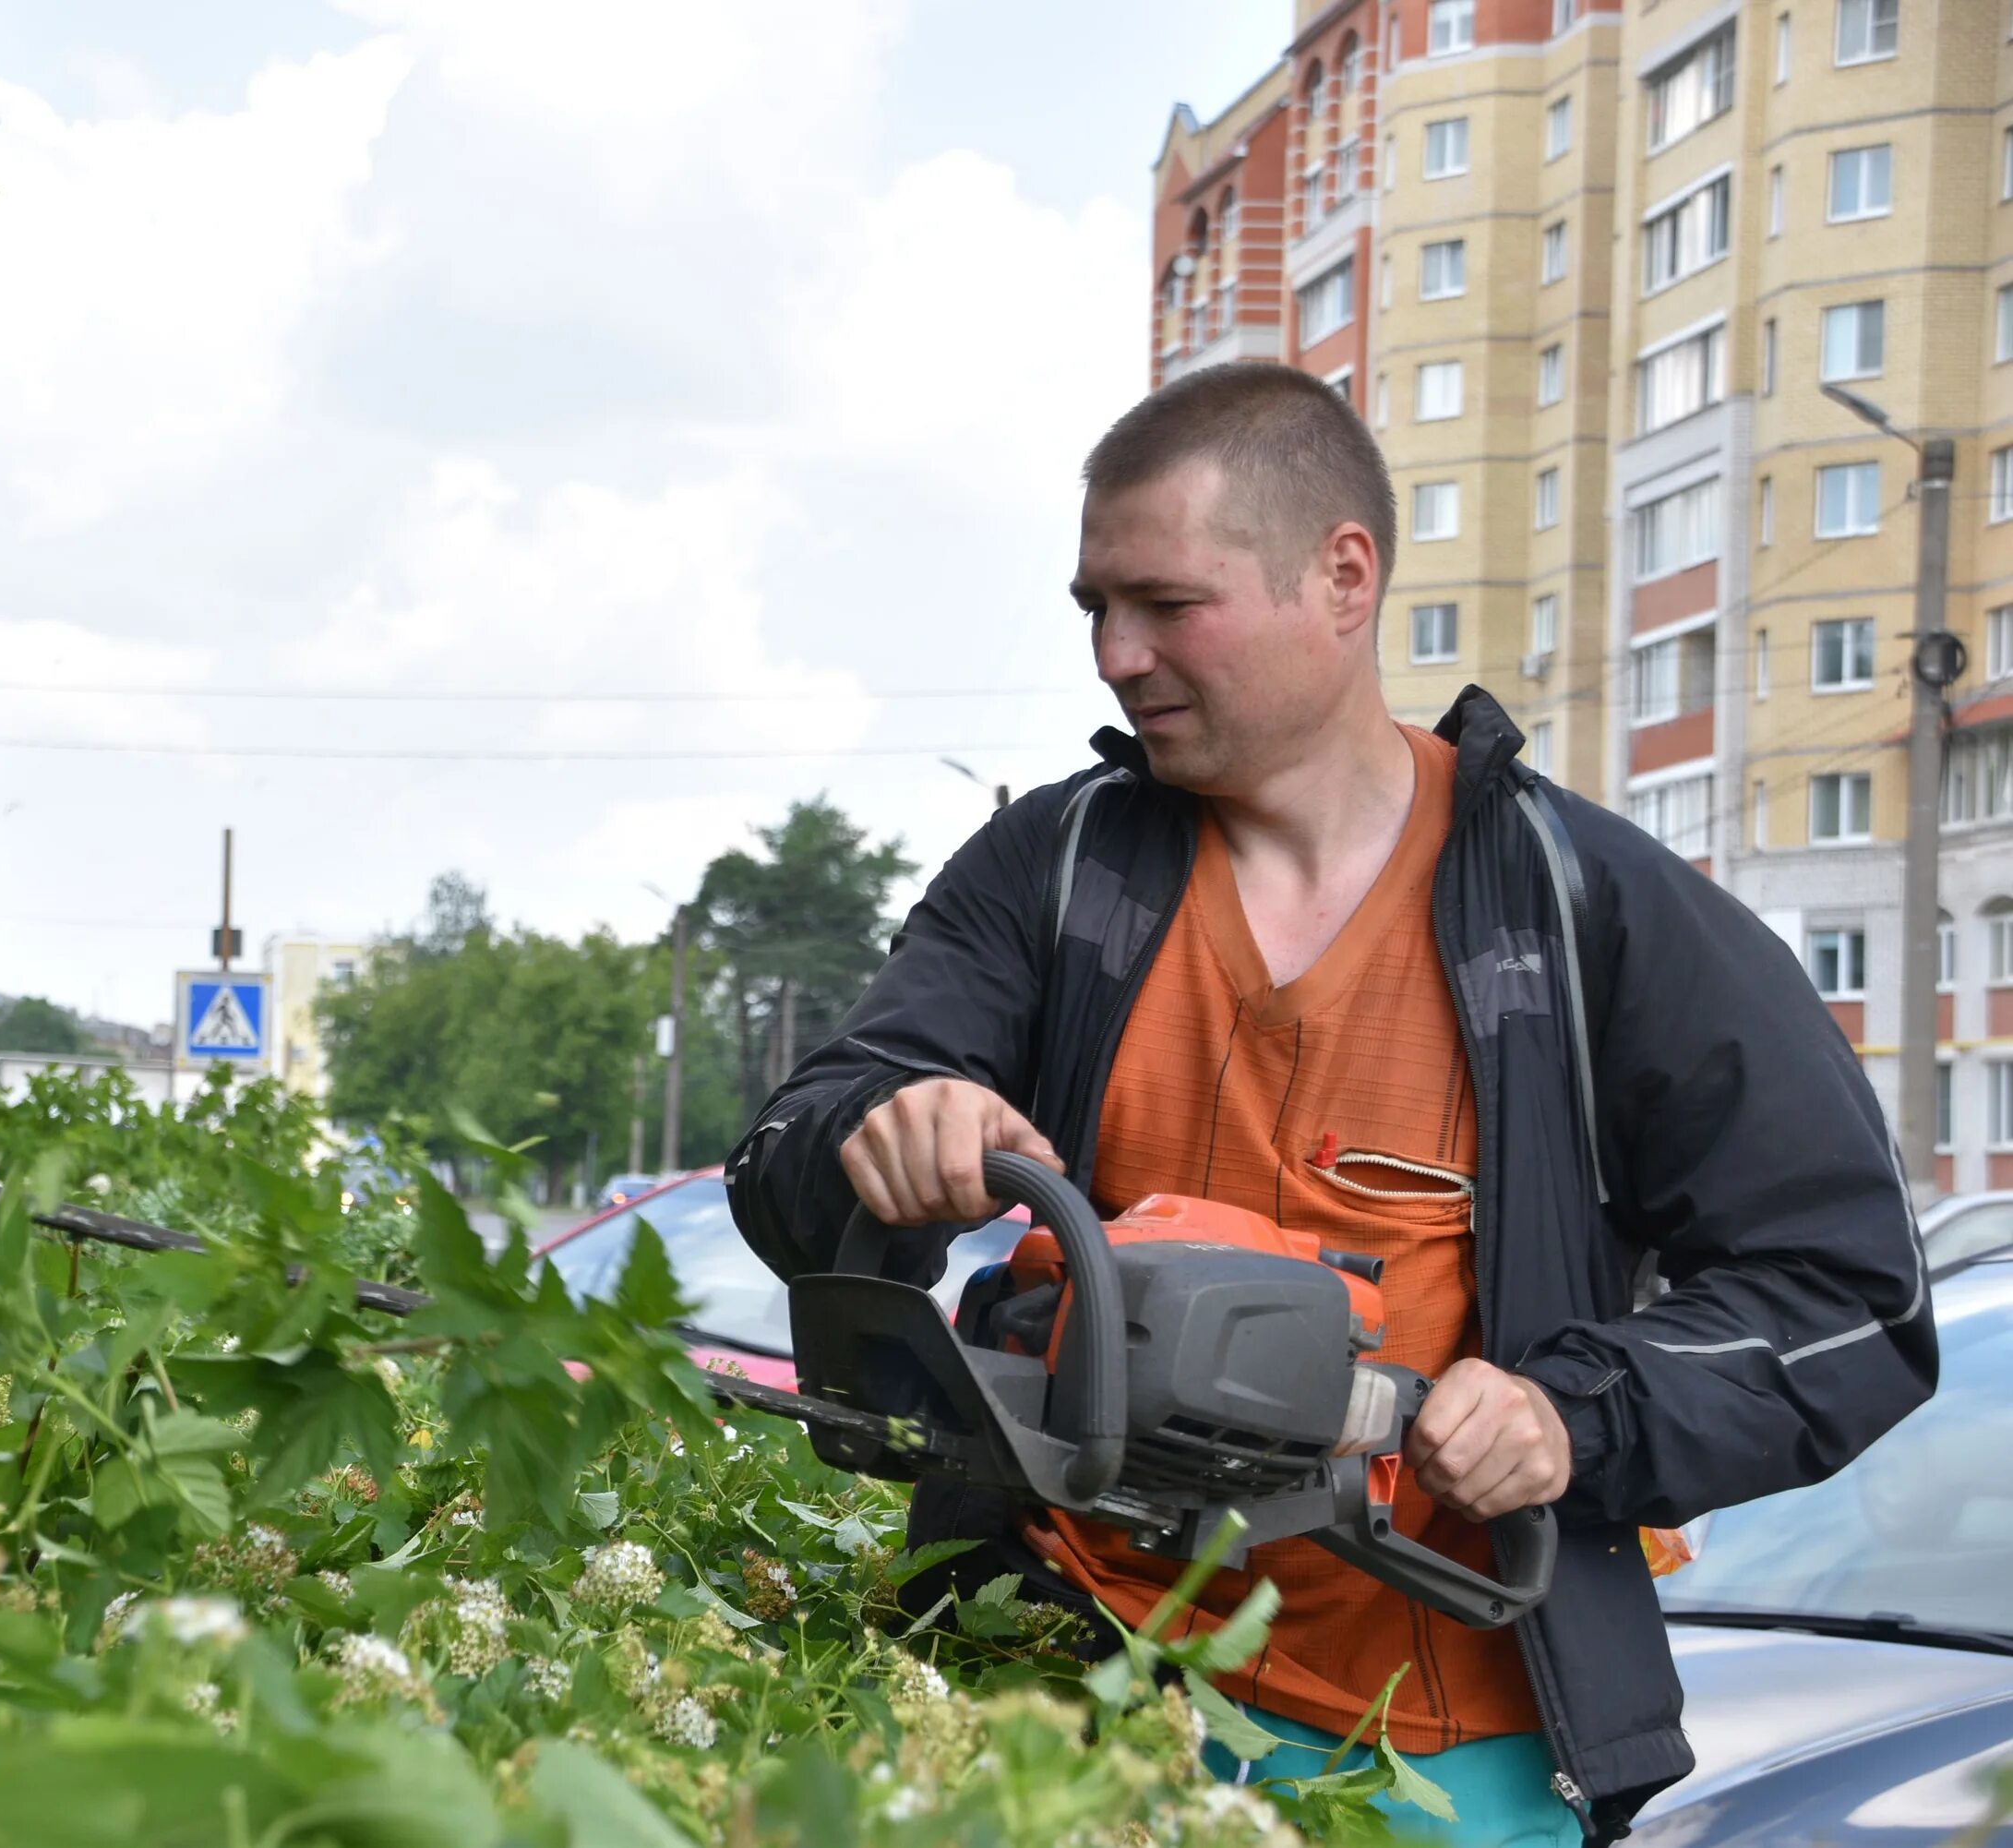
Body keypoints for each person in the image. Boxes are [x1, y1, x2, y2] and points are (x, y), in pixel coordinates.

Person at [725, 362, 1935, 1847]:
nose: (1116, 653)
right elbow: (799, 1139)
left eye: (1168, 603)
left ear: (1342, 575)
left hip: (1451, 1759)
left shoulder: (1585, 913)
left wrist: (1574, 1411)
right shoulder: (1057, 872)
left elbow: (1855, 1301)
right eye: (1094, 607)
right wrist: (883, 1128)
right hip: (1067, 1689)